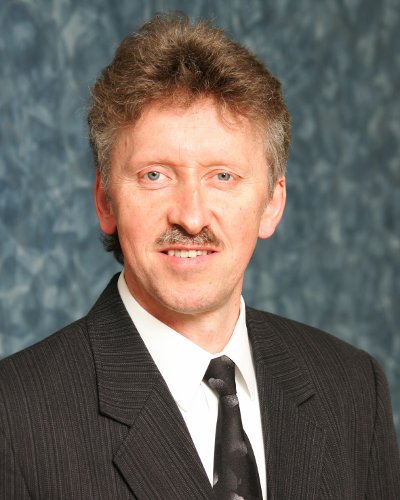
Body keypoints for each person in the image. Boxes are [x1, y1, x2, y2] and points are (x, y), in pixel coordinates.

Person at [0, 12, 399, 500]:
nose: (190, 217)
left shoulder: (355, 389)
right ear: (105, 201)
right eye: (155, 175)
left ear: (272, 204)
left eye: (222, 176)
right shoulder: (14, 417)